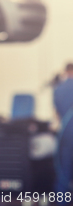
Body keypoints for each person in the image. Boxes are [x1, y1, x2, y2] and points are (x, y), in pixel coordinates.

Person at [53, 63, 73, 203]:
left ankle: (62, 202)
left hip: (65, 135)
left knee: (64, 174)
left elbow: (57, 116)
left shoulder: (58, 89)